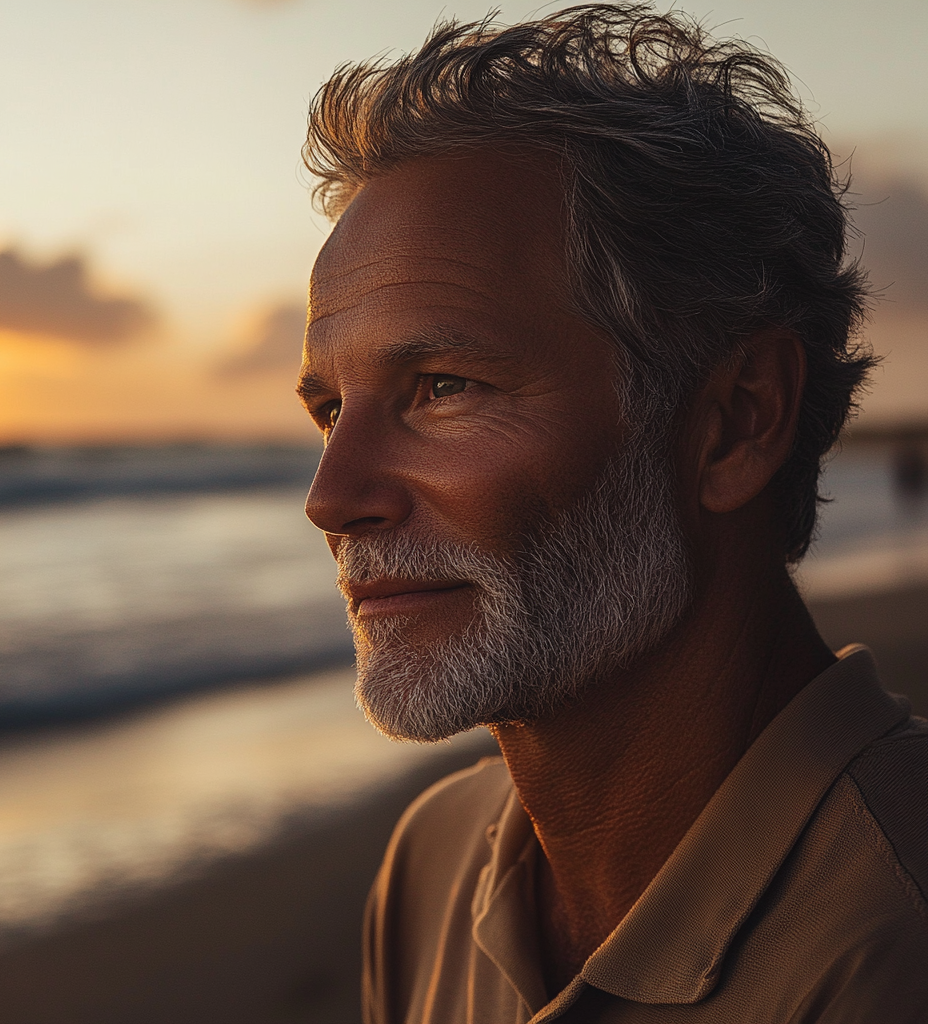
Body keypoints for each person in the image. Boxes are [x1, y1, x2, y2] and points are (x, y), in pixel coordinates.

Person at [295, 6, 928, 1022]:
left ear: (733, 420)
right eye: (330, 409)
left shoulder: (892, 942)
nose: (332, 497)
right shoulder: (432, 865)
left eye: (442, 385)